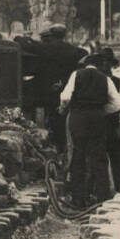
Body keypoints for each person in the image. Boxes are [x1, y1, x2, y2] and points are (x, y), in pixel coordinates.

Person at [59, 53, 120, 208]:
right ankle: (103, 198)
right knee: (99, 157)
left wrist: (63, 108)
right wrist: (100, 111)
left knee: (78, 156)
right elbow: (117, 105)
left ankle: (78, 199)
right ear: (99, 65)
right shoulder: (105, 79)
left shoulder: (76, 74)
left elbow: (66, 97)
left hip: (78, 117)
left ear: (86, 64)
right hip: (98, 119)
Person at [37, 24, 87, 153]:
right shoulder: (72, 50)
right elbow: (84, 54)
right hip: (67, 89)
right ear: (64, 35)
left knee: (52, 118)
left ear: (51, 35)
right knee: (66, 119)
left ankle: (55, 147)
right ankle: (66, 147)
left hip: (49, 90)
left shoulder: (44, 49)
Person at [99, 47, 120, 194]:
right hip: (99, 121)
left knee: (116, 153)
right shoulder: (96, 79)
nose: (105, 65)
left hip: (113, 121)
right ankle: (102, 190)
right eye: (103, 62)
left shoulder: (117, 81)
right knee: (99, 158)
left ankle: (119, 184)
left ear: (111, 64)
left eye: (108, 62)